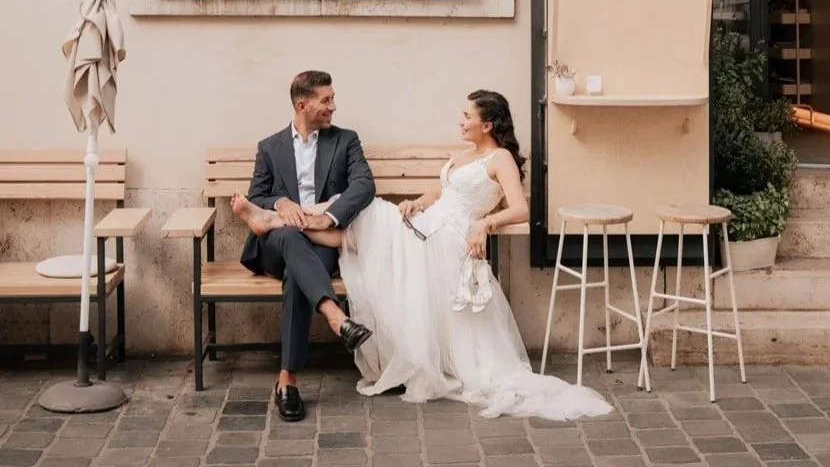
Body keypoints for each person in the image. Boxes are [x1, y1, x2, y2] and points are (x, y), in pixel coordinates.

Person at [231, 89, 614, 422]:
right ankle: (277, 220)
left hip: (448, 237)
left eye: (468, 116)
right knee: (368, 222)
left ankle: (274, 220)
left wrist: (485, 225)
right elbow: (442, 194)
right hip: (428, 222)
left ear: (488, 125)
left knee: (365, 217)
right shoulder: (463, 155)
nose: (461, 120)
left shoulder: (500, 160)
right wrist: (416, 201)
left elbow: (520, 210)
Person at [236, 70, 374, 423]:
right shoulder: (270, 147)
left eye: (332, 98)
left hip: (319, 240)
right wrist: (281, 203)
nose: (333, 106)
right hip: (274, 246)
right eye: (326, 100)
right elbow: (258, 195)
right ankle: (336, 317)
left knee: (298, 271)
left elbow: (364, 185)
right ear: (303, 104)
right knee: (286, 236)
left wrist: (327, 219)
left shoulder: (346, 141)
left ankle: (288, 381)